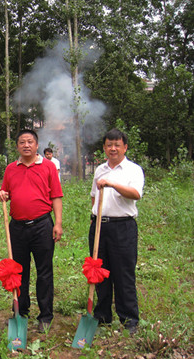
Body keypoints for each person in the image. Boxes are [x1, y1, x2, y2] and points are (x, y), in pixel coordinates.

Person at [0, 129, 63, 333]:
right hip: (17, 227)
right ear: (17, 146)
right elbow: (5, 191)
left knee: (44, 272)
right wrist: (1, 194)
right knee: (18, 272)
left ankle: (45, 315)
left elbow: (57, 196)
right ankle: (20, 312)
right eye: (22, 142)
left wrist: (58, 223)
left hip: (42, 225)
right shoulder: (10, 169)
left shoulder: (49, 166)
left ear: (36, 145)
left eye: (30, 142)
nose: (26, 145)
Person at [89, 128, 144, 334]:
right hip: (100, 226)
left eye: (117, 145)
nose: (113, 148)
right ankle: (102, 316)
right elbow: (94, 195)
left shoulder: (133, 170)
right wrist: (95, 216)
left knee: (124, 273)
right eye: (109, 145)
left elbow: (135, 194)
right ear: (104, 147)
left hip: (123, 228)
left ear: (125, 147)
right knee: (100, 271)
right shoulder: (99, 169)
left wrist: (112, 183)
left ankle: (129, 319)